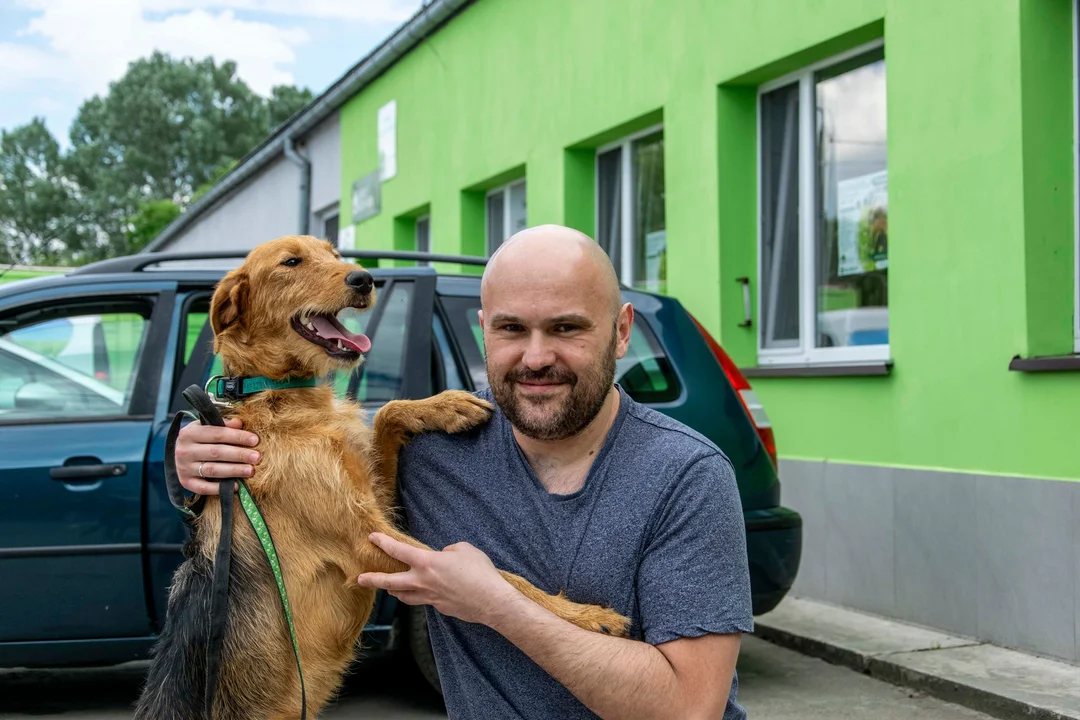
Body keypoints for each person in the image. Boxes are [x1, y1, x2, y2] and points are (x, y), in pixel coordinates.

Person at [175, 224, 754, 719]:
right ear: (482, 328)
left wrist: (499, 605)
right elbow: (304, 500)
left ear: (621, 330)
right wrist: (189, 466)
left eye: (566, 328)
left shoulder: (688, 476)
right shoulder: (443, 443)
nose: (535, 357)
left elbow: (689, 707)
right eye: (510, 329)